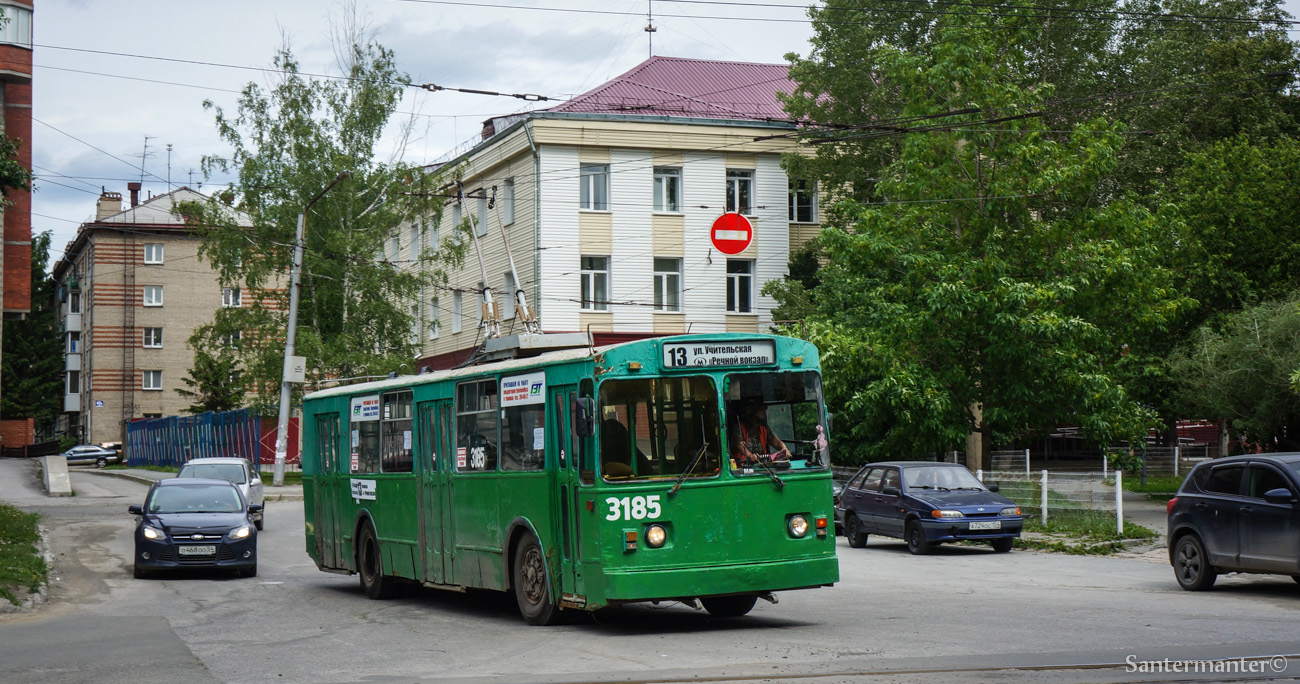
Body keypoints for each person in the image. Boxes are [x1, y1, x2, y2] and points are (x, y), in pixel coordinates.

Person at [730, 401, 789, 466]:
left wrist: (784, 449)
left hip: (761, 465)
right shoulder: (740, 427)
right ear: (752, 414)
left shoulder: (764, 428)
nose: (765, 416)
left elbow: (776, 442)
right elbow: (739, 445)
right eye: (762, 413)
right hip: (742, 466)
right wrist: (751, 455)